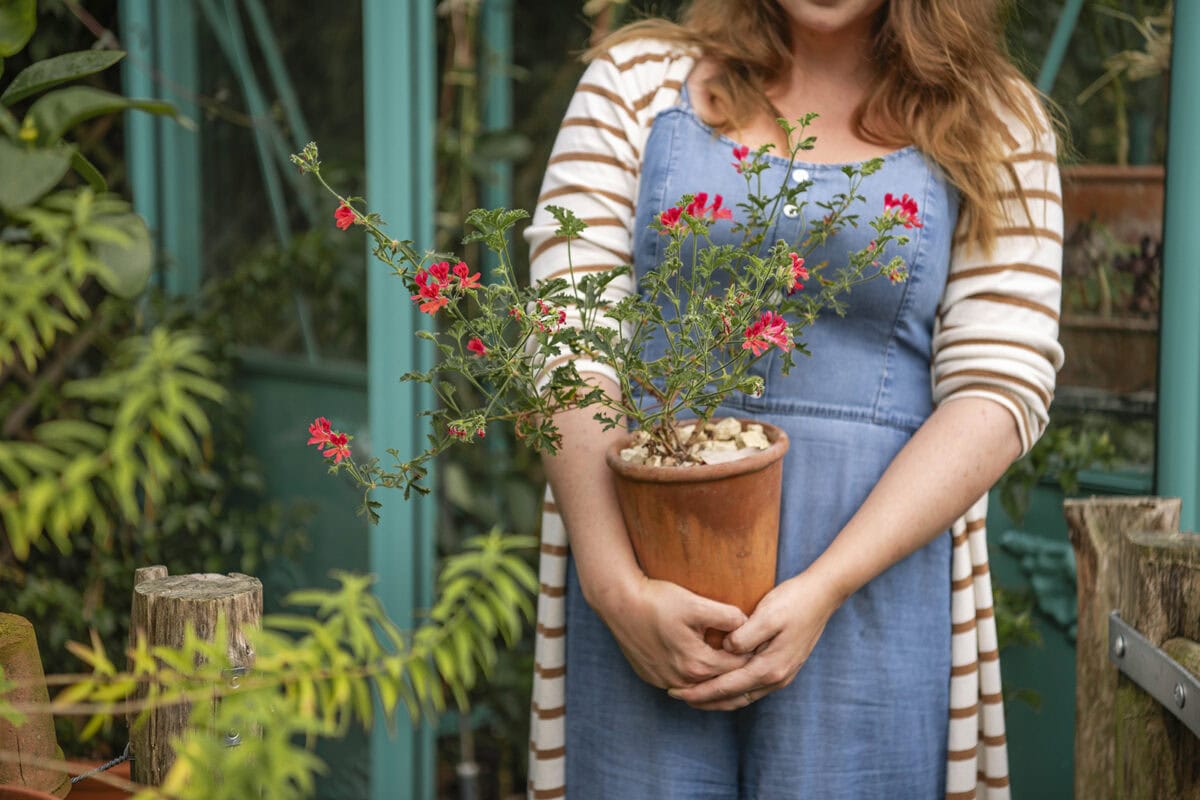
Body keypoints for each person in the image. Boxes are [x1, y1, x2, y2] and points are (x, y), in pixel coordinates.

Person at [523, 1, 1063, 797]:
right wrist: (615, 588)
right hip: (642, 585)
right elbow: (567, 338)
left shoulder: (996, 121)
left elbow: (999, 383)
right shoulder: (636, 82)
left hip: (872, 591)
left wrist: (827, 586)